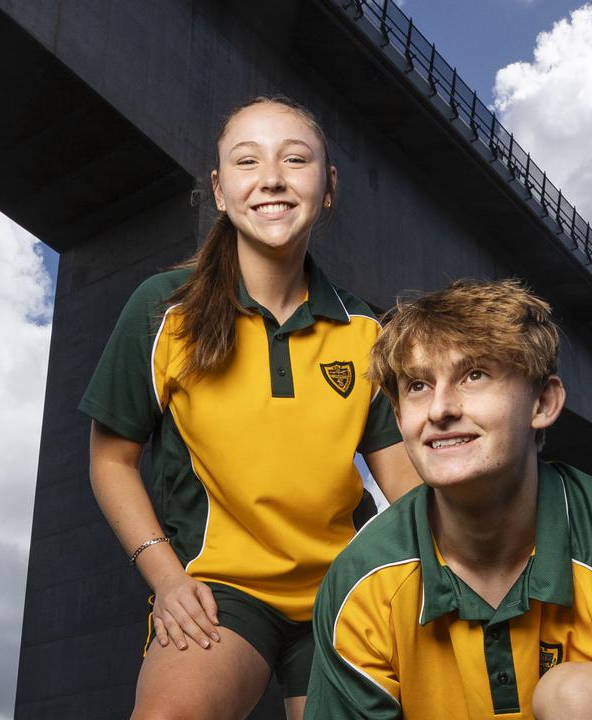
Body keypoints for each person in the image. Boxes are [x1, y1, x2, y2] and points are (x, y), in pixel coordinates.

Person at [79, 96, 421, 720]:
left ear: (329, 189)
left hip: (344, 590)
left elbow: (406, 486)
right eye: (247, 161)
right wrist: (166, 577)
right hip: (219, 590)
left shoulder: (367, 330)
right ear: (218, 188)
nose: (272, 179)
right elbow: (110, 461)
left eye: (296, 159)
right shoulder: (164, 310)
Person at [307, 279, 592, 719]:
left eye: (475, 374)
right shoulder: (361, 579)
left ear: (543, 403)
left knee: (582, 697)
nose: (440, 409)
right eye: (418, 386)